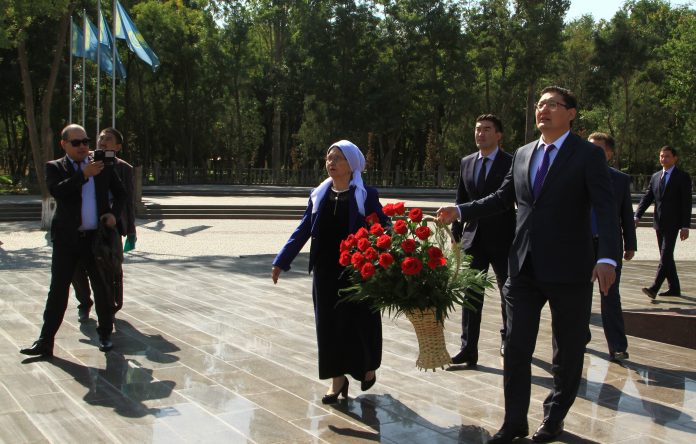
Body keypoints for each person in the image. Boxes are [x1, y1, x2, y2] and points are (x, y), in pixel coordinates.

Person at [437, 86, 620, 444]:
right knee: (516, 347)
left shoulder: (587, 155)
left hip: (569, 269)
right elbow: (502, 198)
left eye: (552, 104)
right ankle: (514, 421)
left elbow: (605, 207)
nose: (543, 110)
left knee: (567, 352)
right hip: (522, 267)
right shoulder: (523, 154)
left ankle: (554, 418)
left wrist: (607, 257)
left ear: (571, 113)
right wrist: (460, 210)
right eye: (540, 104)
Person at [271, 140, 388, 404]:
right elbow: (303, 229)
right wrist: (281, 260)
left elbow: (382, 227)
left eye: (337, 158)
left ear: (351, 165)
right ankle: (337, 379)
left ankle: (367, 367)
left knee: (361, 322)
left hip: (358, 270)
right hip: (325, 271)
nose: (331, 162)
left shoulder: (366, 195)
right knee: (328, 326)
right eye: (329, 157)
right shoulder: (319, 195)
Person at [20, 124, 126, 357]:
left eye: (85, 141)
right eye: (76, 142)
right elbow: (58, 191)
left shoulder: (102, 165)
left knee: (102, 288)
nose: (82, 146)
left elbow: (121, 193)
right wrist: (83, 175)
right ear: (64, 144)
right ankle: (45, 341)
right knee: (58, 290)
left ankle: (105, 334)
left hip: (95, 240)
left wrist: (113, 215)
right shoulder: (55, 167)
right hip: (66, 241)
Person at [450, 114, 515, 366]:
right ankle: (468, 348)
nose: (481, 133)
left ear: (498, 135)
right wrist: (456, 233)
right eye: (478, 129)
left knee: (507, 291)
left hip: (503, 238)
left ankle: (508, 339)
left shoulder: (511, 162)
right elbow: (461, 199)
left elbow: (508, 199)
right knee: (471, 294)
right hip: (473, 238)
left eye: (487, 129)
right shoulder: (467, 162)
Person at [72, 127, 137, 322]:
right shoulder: (85, 161)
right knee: (77, 267)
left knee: (112, 266)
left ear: (117, 146)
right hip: (83, 223)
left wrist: (130, 229)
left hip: (110, 226)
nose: (103, 141)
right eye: (101, 138)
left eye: (108, 139)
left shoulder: (124, 168)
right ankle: (84, 302)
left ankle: (113, 303)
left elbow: (127, 199)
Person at [588, 132, 637, 362]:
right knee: (578, 296)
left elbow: (625, 214)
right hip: (581, 245)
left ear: (609, 154)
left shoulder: (619, 180)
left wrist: (630, 244)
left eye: (598, 150)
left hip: (608, 246)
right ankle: (580, 337)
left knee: (610, 296)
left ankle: (617, 345)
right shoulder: (576, 175)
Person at [634, 146, 692, 299]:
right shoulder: (656, 176)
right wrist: (637, 216)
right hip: (659, 222)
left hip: (674, 223)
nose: (663, 159)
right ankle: (674, 288)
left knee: (665, 256)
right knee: (666, 255)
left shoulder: (682, 177)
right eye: (661, 156)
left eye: (667, 156)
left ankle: (654, 288)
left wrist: (685, 226)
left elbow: (686, 203)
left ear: (675, 158)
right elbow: (647, 198)